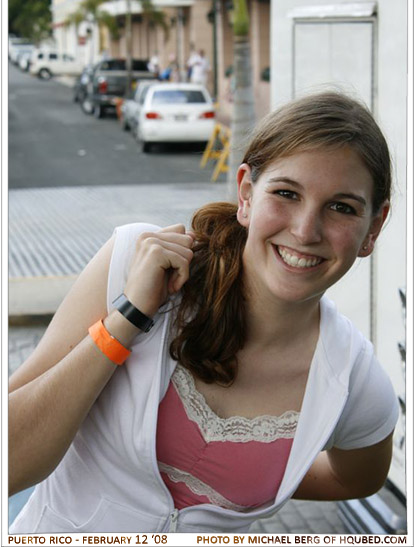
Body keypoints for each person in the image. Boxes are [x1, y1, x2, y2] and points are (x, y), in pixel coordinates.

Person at [9, 91, 399, 534]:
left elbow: (357, 478)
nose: (306, 230)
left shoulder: (356, 381)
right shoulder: (132, 262)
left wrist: (251, 473)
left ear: (374, 228)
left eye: (341, 207)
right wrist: (128, 317)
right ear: (247, 194)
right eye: (287, 193)